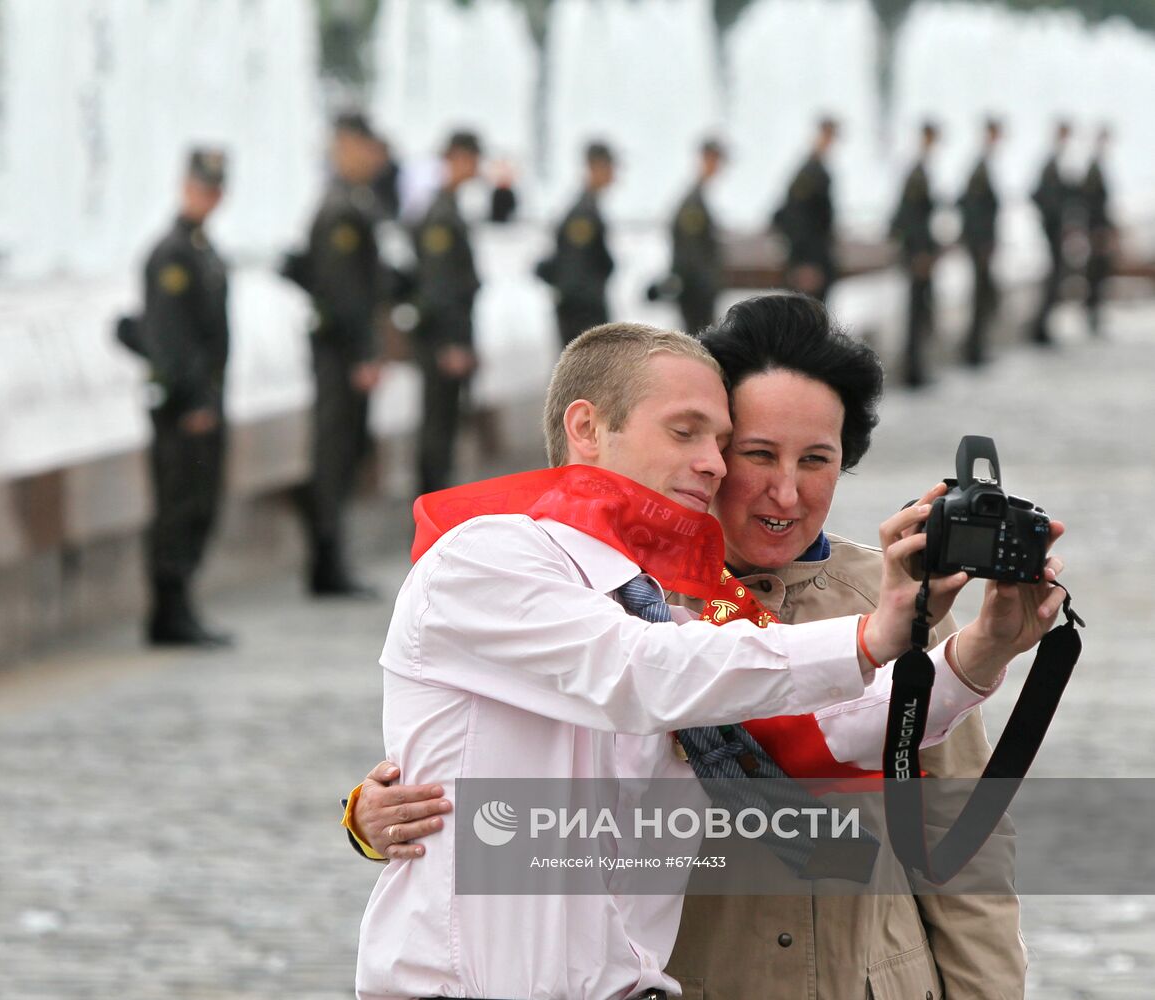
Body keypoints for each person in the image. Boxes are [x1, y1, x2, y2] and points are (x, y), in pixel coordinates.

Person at [349, 296, 1061, 999]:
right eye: (737, 448)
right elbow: (637, 674)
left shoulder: (874, 595)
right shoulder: (509, 564)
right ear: (588, 428)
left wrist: (979, 652)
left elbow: (857, 753)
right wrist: (372, 815)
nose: (729, 471)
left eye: (816, 458)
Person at [289, 112, 388, 597]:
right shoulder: (341, 210)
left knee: (345, 452)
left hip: (343, 352)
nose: (373, 158)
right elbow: (344, 292)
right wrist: (363, 355)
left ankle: (330, 561)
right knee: (334, 454)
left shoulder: (353, 202)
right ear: (345, 146)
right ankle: (326, 563)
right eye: (364, 147)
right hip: (340, 355)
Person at [136, 147, 232, 647]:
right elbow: (172, 336)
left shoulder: (200, 249)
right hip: (182, 408)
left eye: (214, 189)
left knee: (200, 504)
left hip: (205, 401)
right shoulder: (173, 253)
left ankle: (180, 605)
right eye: (200, 187)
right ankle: (168, 611)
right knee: (178, 506)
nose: (206, 197)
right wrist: (195, 400)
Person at [411, 131, 483, 495]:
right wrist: (451, 343)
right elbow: (440, 286)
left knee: (446, 422)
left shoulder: (450, 208)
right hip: (442, 338)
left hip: (448, 334)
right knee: (438, 423)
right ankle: (430, 500)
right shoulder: (441, 215)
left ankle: (435, 496)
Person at [539, 141, 616, 347]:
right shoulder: (583, 214)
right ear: (594, 167)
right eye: (608, 167)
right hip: (582, 314)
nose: (613, 174)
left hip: (581, 311)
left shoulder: (589, 208)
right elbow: (576, 271)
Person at [650, 137, 725, 333]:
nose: (718, 167)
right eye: (714, 159)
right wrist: (706, 283)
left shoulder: (697, 198)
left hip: (696, 288)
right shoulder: (693, 203)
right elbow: (691, 251)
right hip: (696, 290)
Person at [889, 121, 941, 388]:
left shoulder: (921, 171)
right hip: (917, 253)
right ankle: (912, 371)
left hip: (920, 251)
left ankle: (916, 368)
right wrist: (919, 252)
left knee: (921, 310)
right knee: (915, 312)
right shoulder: (916, 174)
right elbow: (910, 217)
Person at [773, 117, 838, 302]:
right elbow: (794, 217)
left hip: (816, 259)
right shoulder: (809, 173)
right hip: (808, 262)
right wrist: (805, 262)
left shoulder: (819, 170)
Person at [958, 118, 1003, 366]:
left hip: (981, 243)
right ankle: (973, 350)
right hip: (979, 244)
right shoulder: (980, 169)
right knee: (980, 295)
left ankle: (977, 347)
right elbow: (974, 209)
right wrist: (982, 242)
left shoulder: (984, 166)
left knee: (985, 295)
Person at [1030, 121, 1074, 347]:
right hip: (1053, 229)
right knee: (1053, 277)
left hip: (1055, 229)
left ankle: (1042, 329)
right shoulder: (1050, 165)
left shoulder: (1057, 164)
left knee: (1057, 278)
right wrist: (1052, 222)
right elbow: (1040, 196)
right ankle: (1039, 330)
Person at [1081, 125, 1115, 337]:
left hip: (1099, 229)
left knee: (1099, 272)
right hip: (1096, 231)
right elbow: (1091, 203)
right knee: (1095, 273)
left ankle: (1094, 316)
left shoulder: (1098, 168)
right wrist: (1097, 230)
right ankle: (1091, 316)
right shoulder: (1093, 169)